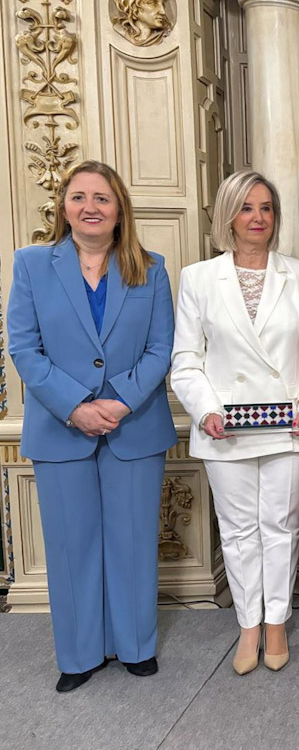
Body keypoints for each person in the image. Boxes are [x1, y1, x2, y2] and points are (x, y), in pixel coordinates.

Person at [7, 160, 176, 692]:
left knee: (130, 541)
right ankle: (79, 656)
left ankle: (135, 646)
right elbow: (24, 348)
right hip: (62, 428)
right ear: (64, 207)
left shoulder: (151, 267)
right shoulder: (32, 265)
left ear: (119, 207)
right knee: (71, 544)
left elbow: (160, 347)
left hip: (135, 426)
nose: (90, 207)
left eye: (101, 197)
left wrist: (120, 401)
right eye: (79, 197)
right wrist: (76, 405)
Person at [171, 171, 299, 675]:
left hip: (289, 426)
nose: (258, 217)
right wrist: (208, 410)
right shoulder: (198, 278)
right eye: (246, 207)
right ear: (228, 215)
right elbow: (186, 362)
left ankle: (277, 620)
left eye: (266, 208)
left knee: (280, 527)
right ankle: (248, 625)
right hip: (225, 426)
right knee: (238, 531)